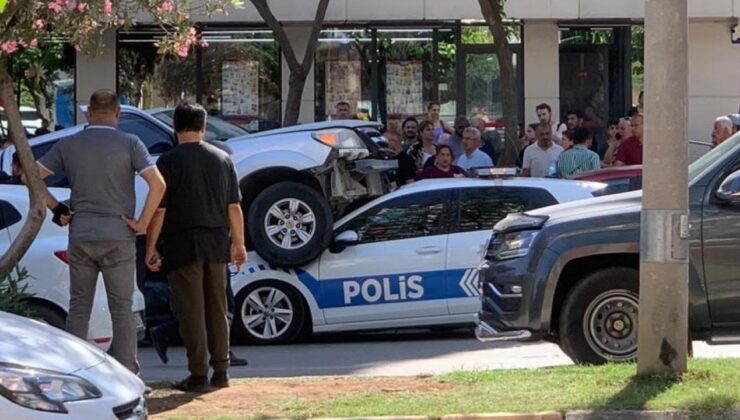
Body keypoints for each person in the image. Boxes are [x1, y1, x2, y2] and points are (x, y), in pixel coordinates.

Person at [34, 89, 166, 374]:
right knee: (122, 308)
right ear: (118, 113)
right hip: (119, 233)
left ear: (88, 113)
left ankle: (75, 372)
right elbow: (159, 184)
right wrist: (142, 223)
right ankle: (128, 373)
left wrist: (57, 208)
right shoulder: (131, 143)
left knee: (79, 307)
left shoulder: (69, 144)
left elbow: (30, 175)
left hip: (81, 234)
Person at [145, 102, 247, 392]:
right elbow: (234, 207)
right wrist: (238, 243)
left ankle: (198, 373)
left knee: (191, 310)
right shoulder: (223, 159)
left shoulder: (168, 161)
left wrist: (151, 246)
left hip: (182, 243)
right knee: (218, 307)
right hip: (216, 242)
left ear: (175, 127)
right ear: (203, 127)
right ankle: (222, 370)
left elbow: (160, 211)